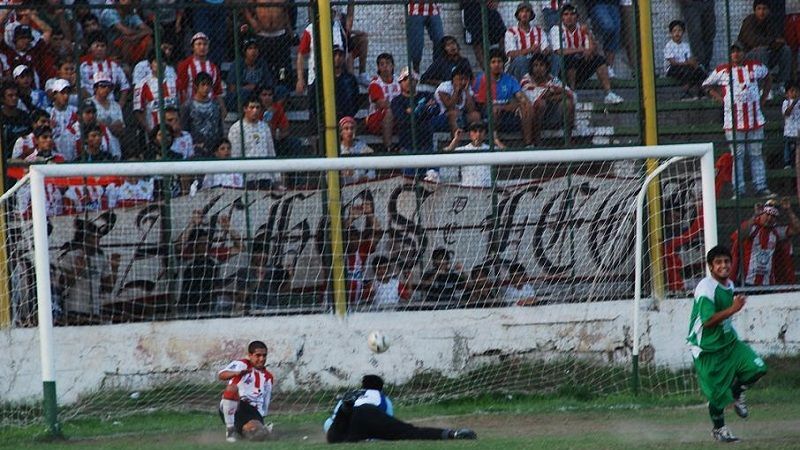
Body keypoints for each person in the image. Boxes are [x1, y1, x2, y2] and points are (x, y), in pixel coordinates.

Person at [687, 245, 768, 443]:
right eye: (718, 262)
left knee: (757, 368)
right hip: (707, 348)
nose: (723, 265)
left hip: (729, 343)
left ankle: (737, 393)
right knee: (717, 396)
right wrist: (733, 308)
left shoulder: (729, 284)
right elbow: (707, 321)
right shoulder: (706, 288)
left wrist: (733, 308)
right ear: (710, 267)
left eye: (726, 261)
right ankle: (719, 429)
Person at [702, 42, 773, 199]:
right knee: (737, 155)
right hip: (732, 121)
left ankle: (760, 187)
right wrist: (720, 98)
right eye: (733, 51)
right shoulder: (722, 70)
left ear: (744, 53)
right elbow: (706, 84)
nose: (736, 54)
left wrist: (764, 97)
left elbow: (768, 77)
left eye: (739, 51)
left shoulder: (755, 66)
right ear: (730, 54)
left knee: (756, 153)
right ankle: (738, 190)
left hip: (755, 118)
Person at [324, 374, 476, 443]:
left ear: (362, 386)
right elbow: (385, 427)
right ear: (381, 389)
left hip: (344, 418)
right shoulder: (383, 398)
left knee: (338, 439)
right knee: (409, 432)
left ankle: (347, 411)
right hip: (367, 413)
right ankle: (453, 434)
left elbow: (328, 424)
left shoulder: (354, 393)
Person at [549, 4, 623, 104]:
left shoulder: (582, 28)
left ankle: (609, 93)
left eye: (572, 14)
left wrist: (588, 34)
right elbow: (559, 51)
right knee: (571, 58)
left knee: (599, 59)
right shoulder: (556, 29)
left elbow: (593, 49)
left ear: (577, 17)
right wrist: (581, 49)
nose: (569, 17)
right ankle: (572, 91)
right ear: (562, 17)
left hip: (581, 67)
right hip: (563, 70)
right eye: (566, 14)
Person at [730, 198, 799, 286]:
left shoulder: (776, 231)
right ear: (762, 214)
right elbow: (741, 234)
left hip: (767, 283)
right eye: (767, 215)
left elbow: (797, 229)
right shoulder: (752, 227)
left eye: (773, 216)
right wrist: (755, 215)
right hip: (747, 281)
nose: (770, 218)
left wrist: (789, 210)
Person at [218, 340, 274, 443]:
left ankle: (248, 430)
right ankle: (230, 429)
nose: (262, 359)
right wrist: (237, 373)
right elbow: (221, 375)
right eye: (258, 355)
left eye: (264, 355)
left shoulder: (268, 377)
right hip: (235, 405)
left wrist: (260, 420)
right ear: (250, 355)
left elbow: (266, 401)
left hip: (253, 412)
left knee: (258, 435)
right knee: (232, 388)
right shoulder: (242, 364)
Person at [473, 49, 533, 142]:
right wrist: (503, 106)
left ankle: (529, 143)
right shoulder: (481, 79)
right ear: (488, 64)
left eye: (499, 61)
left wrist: (523, 104)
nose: (497, 65)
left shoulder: (510, 79)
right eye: (493, 62)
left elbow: (521, 97)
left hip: (507, 111)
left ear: (503, 63)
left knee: (525, 107)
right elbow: (480, 105)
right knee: (494, 110)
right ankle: (494, 143)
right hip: (488, 112)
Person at [738, 0, 791, 96]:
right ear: (755, 10)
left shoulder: (771, 21)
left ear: (768, 10)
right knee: (761, 51)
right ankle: (764, 87)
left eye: (764, 9)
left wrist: (776, 43)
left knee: (785, 50)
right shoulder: (749, 21)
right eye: (759, 9)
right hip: (748, 57)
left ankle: (782, 85)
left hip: (767, 54)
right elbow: (752, 41)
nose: (761, 12)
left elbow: (778, 40)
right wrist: (771, 42)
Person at [521, 53, 575, 145]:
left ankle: (568, 140)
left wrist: (549, 93)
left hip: (553, 110)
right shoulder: (526, 79)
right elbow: (535, 96)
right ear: (531, 67)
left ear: (546, 67)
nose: (538, 68)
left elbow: (569, 93)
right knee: (541, 103)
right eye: (535, 65)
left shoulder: (551, 78)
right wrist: (554, 91)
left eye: (542, 65)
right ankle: (536, 140)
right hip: (535, 112)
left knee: (568, 103)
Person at [228, 95, 281, 189]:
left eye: (257, 107)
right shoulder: (236, 128)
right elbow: (235, 154)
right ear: (245, 109)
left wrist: (276, 179)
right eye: (251, 107)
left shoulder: (264, 127)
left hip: (264, 176)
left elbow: (271, 152)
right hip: (247, 177)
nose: (255, 110)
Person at [176, 32, 226, 117]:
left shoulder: (213, 67)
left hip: (210, 107)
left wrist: (223, 108)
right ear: (193, 47)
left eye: (205, 44)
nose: (202, 47)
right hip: (191, 109)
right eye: (198, 44)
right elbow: (182, 89)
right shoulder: (185, 65)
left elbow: (217, 91)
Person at [443, 121, 505, 188]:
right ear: (470, 134)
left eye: (481, 131)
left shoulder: (490, 149)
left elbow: (507, 155)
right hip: (468, 188)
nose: (478, 134)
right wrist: (456, 140)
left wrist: (496, 140)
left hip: (487, 188)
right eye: (475, 131)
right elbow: (445, 153)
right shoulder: (463, 150)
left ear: (484, 133)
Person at [79, 31, 131, 107]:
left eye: (102, 46)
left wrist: (119, 106)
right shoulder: (84, 66)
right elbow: (80, 86)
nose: (100, 49)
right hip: (90, 107)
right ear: (90, 48)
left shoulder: (114, 66)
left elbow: (125, 85)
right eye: (97, 46)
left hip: (110, 105)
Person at [133, 50, 179, 135]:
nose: (160, 64)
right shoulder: (142, 85)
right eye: (157, 61)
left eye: (163, 61)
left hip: (174, 132)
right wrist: (149, 130)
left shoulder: (174, 81)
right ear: (150, 65)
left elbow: (180, 104)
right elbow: (138, 112)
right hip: (154, 131)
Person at [180, 71, 223, 158]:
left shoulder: (215, 106)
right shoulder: (188, 106)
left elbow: (219, 127)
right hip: (195, 147)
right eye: (203, 85)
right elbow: (184, 129)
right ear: (196, 86)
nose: (206, 88)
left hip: (213, 146)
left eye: (208, 85)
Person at [225, 37, 274, 113]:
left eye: (255, 48)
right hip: (240, 95)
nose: (253, 51)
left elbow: (269, 83)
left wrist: (259, 88)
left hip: (259, 92)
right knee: (245, 93)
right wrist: (245, 88)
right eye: (250, 48)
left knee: (281, 90)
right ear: (245, 51)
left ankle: (270, 113)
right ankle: (244, 116)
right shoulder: (237, 64)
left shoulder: (262, 63)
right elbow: (232, 88)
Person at [505, 1, 550, 81]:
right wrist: (530, 50)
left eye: (527, 11)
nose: (524, 14)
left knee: (555, 58)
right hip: (516, 66)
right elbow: (511, 54)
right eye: (522, 11)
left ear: (531, 15)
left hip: (536, 62)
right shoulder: (511, 32)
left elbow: (546, 49)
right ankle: (524, 87)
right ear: (518, 15)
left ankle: (550, 82)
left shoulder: (539, 31)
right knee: (522, 60)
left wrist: (542, 52)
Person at [432, 62, 480, 137]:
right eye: (460, 79)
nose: (463, 82)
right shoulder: (444, 87)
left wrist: (467, 92)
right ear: (453, 79)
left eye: (466, 79)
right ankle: (457, 140)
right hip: (443, 117)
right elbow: (449, 107)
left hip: (461, 116)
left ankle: (475, 139)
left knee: (475, 115)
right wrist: (456, 91)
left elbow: (471, 109)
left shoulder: (467, 88)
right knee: (453, 113)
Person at [664, 20, 707, 101]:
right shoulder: (669, 45)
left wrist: (694, 63)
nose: (677, 33)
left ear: (683, 32)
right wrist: (687, 63)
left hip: (685, 67)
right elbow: (673, 62)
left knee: (699, 71)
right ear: (670, 33)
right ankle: (685, 93)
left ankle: (700, 92)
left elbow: (689, 58)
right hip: (672, 68)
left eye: (679, 30)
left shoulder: (685, 45)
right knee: (687, 70)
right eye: (674, 31)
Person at [365, 53, 401, 150]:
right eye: (382, 64)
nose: (385, 66)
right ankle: (388, 147)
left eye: (388, 63)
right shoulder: (375, 84)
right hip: (377, 120)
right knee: (388, 111)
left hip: (398, 116)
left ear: (393, 66)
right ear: (378, 67)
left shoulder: (399, 81)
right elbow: (382, 104)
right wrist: (401, 106)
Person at [460, 0, 505, 68]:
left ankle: (501, 66)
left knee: (503, 34)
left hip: (488, 7)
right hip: (470, 8)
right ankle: (487, 72)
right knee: (477, 41)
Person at [585, 0, 621, 77]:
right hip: (597, 3)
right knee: (608, 26)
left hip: (614, 3)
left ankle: (609, 68)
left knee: (616, 31)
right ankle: (599, 64)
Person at [406, 0, 444, 73]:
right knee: (417, 41)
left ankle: (437, 66)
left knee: (439, 39)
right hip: (415, 10)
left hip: (434, 10)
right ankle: (415, 67)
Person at [677, 0, 715, 71]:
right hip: (690, 4)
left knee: (709, 33)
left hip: (708, 3)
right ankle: (700, 67)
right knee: (695, 34)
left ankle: (706, 66)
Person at [339, 116, 376, 185]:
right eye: (346, 129)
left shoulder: (363, 147)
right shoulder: (337, 149)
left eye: (352, 128)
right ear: (341, 132)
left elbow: (372, 172)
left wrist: (364, 177)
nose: (349, 131)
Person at [782, 82, 800, 170]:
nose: (795, 93)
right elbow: (786, 113)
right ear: (787, 94)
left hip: (798, 131)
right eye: (792, 91)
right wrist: (792, 104)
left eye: (796, 91)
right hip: (789, 131)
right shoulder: (785, 102)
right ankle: (787, 163)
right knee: (787, 146)